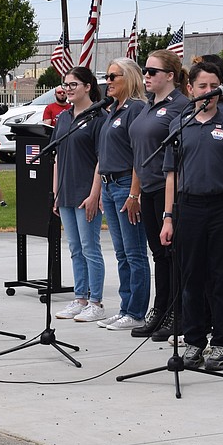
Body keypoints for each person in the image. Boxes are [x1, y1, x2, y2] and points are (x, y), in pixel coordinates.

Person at [159, 60, 223, 371]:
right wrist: (168, 217)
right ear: (190, 89)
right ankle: (195, 340)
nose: (208, 92)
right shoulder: (180, 125)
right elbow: (170, 175)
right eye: (202, 86)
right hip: (188, 209)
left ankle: (222, 344)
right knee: (191, 278)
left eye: (214, 86)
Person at [126, 49, 190, 341]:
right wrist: (135, 193)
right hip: (149, 191)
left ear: (170, 76)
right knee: (159, 256)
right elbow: (140, 154)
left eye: (152, 71)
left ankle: (178, 312)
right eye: (145, 70)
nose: (146, 76)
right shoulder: (148, 106)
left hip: (170, 191)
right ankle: (161, 309)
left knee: (173, 254)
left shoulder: (181, 107)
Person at [96, 57, 151, 332]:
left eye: (113, 76)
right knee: (121, 253)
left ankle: (137, 312)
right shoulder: (112, 110)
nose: (108, 81)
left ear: (128, 77)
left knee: (134, 252)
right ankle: (125, 308)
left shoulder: (136, 109)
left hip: (125, 185)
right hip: (109, 186)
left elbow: (139, 156)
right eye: (107, 76)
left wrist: (134, 194)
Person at [51, 67, 107, 323]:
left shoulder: (99, 117)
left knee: (89, 248)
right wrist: (56, 191)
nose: (68, 89)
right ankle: (80, 298)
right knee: (74, 248)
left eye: (74, 84)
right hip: (66, 192)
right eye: (65, 84)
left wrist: (95, 194)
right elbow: (57, 156)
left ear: (87, 86)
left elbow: (101, 159)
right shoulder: (63, 118)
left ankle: (95, 301)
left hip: (87, 192)